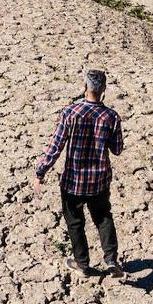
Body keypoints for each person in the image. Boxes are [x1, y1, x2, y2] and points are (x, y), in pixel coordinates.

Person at [34, 69, 125, 278]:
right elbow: (117, 149)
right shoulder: (111, 117)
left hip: (73, 181)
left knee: (75, 222)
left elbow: (55, 147)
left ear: (85, 87)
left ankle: (82, 263)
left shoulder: (70, 113)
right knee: (103, 218)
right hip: (99, 181)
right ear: (104, 89)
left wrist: (40, 171)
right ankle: (111, 259)